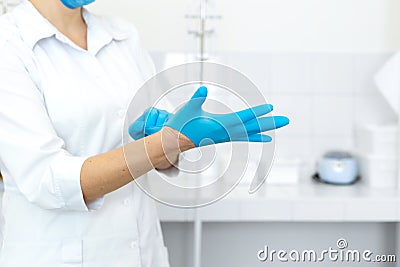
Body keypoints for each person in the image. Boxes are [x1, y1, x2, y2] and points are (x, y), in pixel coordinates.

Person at [0, 0, 289, 266]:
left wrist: (169, 140)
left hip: (141, 252)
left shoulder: (123, 36)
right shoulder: (9, 43)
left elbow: (159, 157)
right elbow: (47, 180)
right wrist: (163, 144)